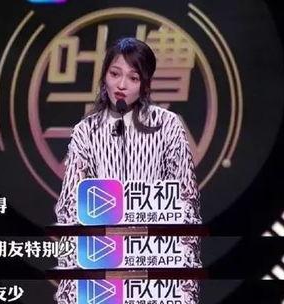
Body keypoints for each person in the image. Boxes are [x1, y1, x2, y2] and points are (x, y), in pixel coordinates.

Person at [55, 37, 201, 225]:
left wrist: (141, 215)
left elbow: (186, 201)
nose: (121, 85)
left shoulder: (167, 125)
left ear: (145, 85)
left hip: (152, 238)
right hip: (102, 239)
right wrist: (110, 217)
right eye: (115, 74)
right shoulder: (86, 131)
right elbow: (70, 205)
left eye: (133, 78)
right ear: (104, 76)